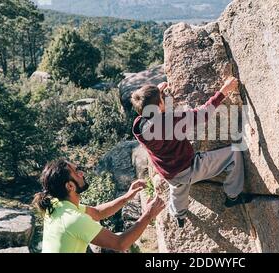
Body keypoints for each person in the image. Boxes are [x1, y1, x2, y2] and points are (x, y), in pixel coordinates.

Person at [131, 76, 253, 228]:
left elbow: (151, 113)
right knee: (234, 154)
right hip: (188, 168)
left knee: (178, 189)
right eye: (162, 98)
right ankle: (233, 196)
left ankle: (178, 215)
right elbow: (203, 114)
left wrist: (156, 94)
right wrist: (223, 91)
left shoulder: (139, 126)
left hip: (167, 171)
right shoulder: (172, 121)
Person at [33, 158, 165, 253]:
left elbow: (97, 213)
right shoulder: (73, 219)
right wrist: (149, 214)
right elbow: (120, 243)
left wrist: (127, 196)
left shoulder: (57, 206)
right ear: (70, 186)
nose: (82, 173)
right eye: (77, 171)